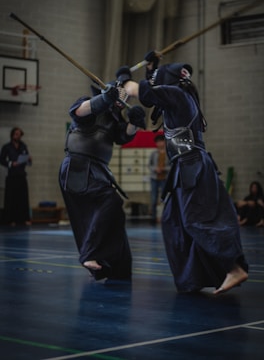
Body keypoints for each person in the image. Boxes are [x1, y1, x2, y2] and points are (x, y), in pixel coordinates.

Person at [116, 55, 248, 295]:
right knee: (173, 222)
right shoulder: (180, 97)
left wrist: (124, 78)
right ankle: (191, 279)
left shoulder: (176, 95)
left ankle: (234, 266)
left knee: (196, 219)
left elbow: (137, 90)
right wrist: (151, 68)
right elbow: (153, 88)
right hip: (185, 167)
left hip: (192, 166)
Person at [59, 83, 146, 281]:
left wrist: (135, 122)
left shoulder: (114, 118)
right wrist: (104, 99)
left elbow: (124, 136)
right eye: (121, 96)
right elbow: (79, 111)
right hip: (78, 168)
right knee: (111, 201)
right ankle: (89, 254)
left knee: (116, 216)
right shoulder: (88, 104)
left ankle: (116, 267)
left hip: (98, 171)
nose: (125, 101)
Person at [0, 127, 32, 226]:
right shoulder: (7, 147)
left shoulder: (23, 146)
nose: (17, 135)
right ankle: (10, 219)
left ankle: (24, 219)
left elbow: (27, 161)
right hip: (12, 175)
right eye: (15, 134)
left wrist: (29, 160)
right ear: (12, 135)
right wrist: (10, 163)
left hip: (21, 175)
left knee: (23, 199)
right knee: (11, 199)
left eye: (18, 134)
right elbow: (2, 160)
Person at [148, 134, 170, 223]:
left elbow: (172, 166)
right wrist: (155, 169)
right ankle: (153, 217)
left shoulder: (168, 153)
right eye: (158, 142)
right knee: (153, 199)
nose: (160, 143)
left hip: (165, 178)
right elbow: (149, 165)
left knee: (164, 199)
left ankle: (165, 217)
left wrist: (163, 169)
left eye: (162, 141)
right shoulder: (154, 153)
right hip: (154, 178)